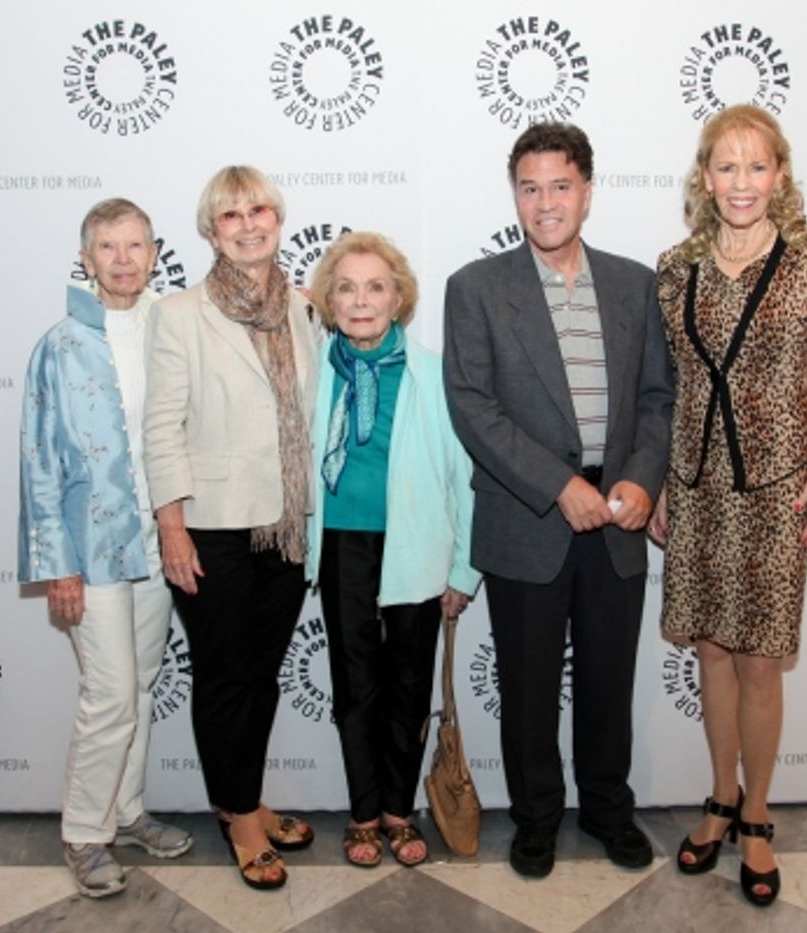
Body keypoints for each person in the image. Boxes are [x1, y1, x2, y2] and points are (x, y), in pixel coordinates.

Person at [443, 123, 675, 878]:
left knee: (610, 682)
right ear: (515, 194)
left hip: (618, 519)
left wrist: (640, 477)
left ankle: (608, 806)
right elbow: (474, 409)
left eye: (561, 185)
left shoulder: (635, 283)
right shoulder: (476, 287)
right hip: (527, 517)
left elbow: (656, 397)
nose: (546, 203)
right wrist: (560, 485)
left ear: (587, 190)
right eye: (530, 187)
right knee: (529, 686)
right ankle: (536, 818)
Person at [650, 104, 807, 908]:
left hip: (774, 488)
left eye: (756, 165)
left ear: (780, 173)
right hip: (695, 488)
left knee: (761, 658)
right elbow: (665, 388)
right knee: (711, 652)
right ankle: (720, 795)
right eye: (726, 166)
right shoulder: (675, 268)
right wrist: (661, 476)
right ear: (706, 176)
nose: (741, 182)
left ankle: (758, 811)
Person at [143, 166, 320, 891]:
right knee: (224, 679)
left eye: (259, 211)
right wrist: (171, 529)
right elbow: (161, 428)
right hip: (211, 526)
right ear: (210, 231)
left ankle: (244, 793)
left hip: (286, 524)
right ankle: (239, 817)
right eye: (229, 217)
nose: (248, 225)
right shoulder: (180, 314)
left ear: (278, 219)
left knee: (263, 676)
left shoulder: (307, 307)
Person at [19, 197, 193, 898]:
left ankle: (126, 812)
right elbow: (39, 461)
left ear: (155, 253)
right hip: (90, 550)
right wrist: (56, 562)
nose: (123, 260)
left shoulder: (170, 325)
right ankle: (84, 833)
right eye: (108, 248)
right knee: (111, 691)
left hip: (158, 540)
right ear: (86, 259)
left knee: (142, 685)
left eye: (136, 246)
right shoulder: (60, 345)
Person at [304, 232, 481, 868]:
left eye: (375, 286)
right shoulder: (312, 368)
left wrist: (464, 567)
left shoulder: (434, 372)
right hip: (342, 544)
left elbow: (466, 474)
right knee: (354, 685)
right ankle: (361, 813)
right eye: (345, 287)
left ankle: (399, 812)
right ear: (328, 299)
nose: (360, 300)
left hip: (419, 547)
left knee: (408, 685)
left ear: (398, 296)